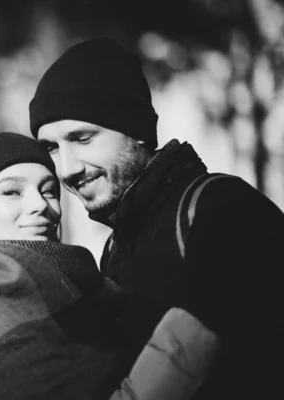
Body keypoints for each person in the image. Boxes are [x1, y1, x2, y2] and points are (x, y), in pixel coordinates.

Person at [29, 37, 284, 399]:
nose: (66, 169)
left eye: (82, 138)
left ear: (135, 130)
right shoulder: (116, 246)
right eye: (51, 148)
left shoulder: (222, 211)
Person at [0, 131, 218, 400]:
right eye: (11, 192)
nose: (41, 205)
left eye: (48, 191)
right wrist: (185, 339)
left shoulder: (82, 288)